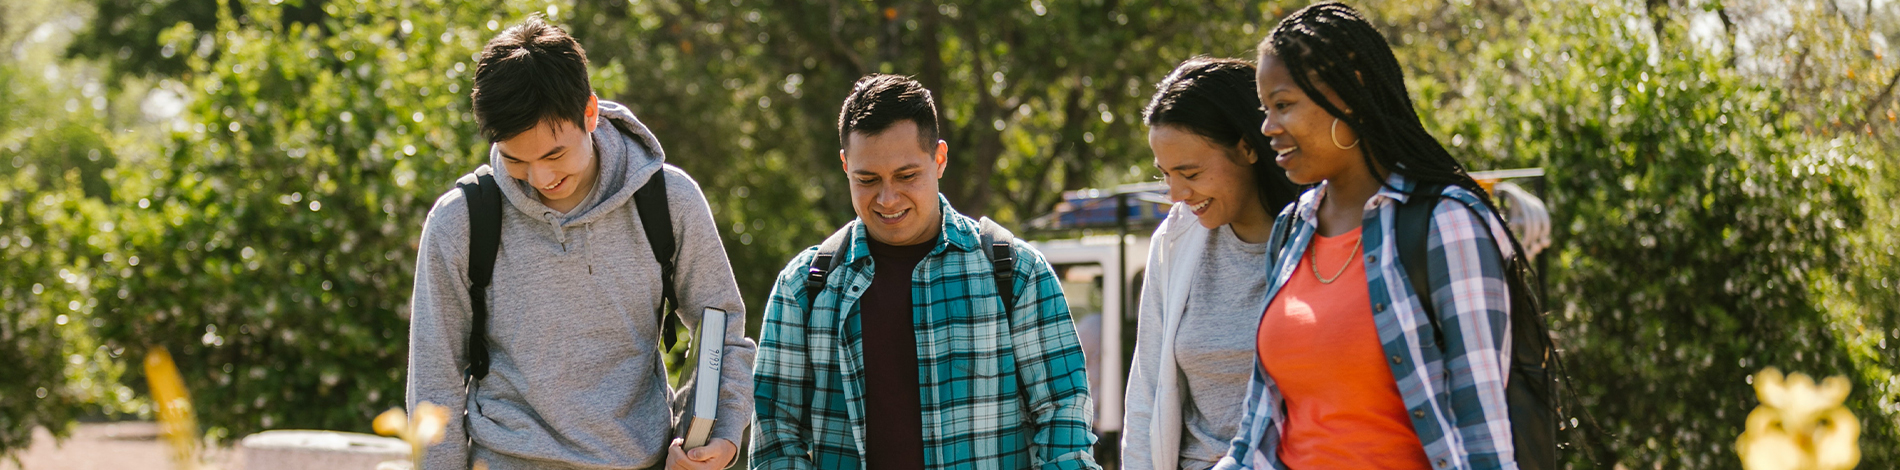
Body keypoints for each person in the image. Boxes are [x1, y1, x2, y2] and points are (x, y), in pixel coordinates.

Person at [406, 16, 753, 470]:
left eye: (554, 154)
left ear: (589, 113)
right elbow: (435, 382)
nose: (542, 178)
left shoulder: (668, 201)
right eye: (517, 160)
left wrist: (719, 436)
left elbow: (721, 329)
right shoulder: (461, 222)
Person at [1218, 3, 1527, 469]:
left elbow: (1483, 429)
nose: (1267, 128)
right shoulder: (1291, 231)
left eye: (1283, 105)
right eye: (1265, 109)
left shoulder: (1445, 223)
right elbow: (1258, 429)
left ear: (1348, 94)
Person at [750, 74, 1101, 470]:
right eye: (867, 179)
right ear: (846, 165)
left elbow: (1063, 415)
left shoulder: (1016, 273)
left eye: (906, 176)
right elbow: (775, 436)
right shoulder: (804, 288)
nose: (887, 198)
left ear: (939, 159)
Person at [1121, 57, 1301, 470]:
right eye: (1165, 174)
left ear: (1247, 146)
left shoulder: (1317, 234)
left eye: (1190, 172)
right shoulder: (1174, 240)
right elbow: (1147, 393)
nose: (1176, 194)